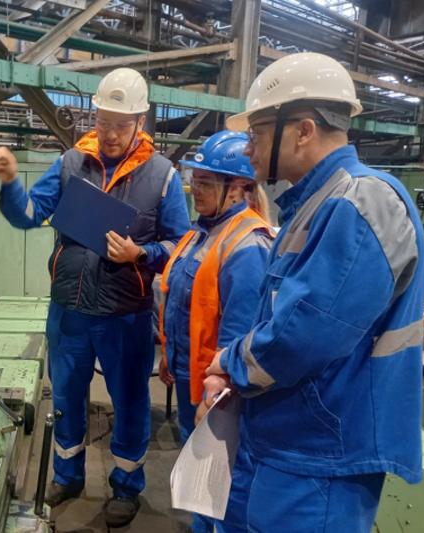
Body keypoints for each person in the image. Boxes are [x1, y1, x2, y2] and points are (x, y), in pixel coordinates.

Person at [203, 52, 424, 532]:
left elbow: (304, 334)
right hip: (291, 442)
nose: (248, 150)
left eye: (257, 135)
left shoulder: (361, 202)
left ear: (303, 131)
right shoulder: (315, 205)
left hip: (323, 458)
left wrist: (230, 363)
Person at [0, 67, 190, 527]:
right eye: (103, 122)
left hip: (125, 316)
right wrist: (10, 183)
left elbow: (181, 245)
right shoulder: (69, 163)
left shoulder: (162, 176)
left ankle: (126, 487)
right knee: (65, 395)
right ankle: (68, 475)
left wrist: (142, 253)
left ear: (140, 122)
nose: (110, 134)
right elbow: (28, 214)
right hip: (69, 312)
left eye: (121, 125)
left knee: (130, 402)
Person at [158, 131, 274, 533]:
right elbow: (181, 300)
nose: (196, 189)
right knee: (201, 478)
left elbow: (239, 332)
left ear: (238, 189)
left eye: (207, 182)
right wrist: (169, 355)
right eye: (195, 179)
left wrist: (218, 394)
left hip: (218, 388)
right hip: (189, 374)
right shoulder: (200, 232)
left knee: (220, 483)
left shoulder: (247, 245)